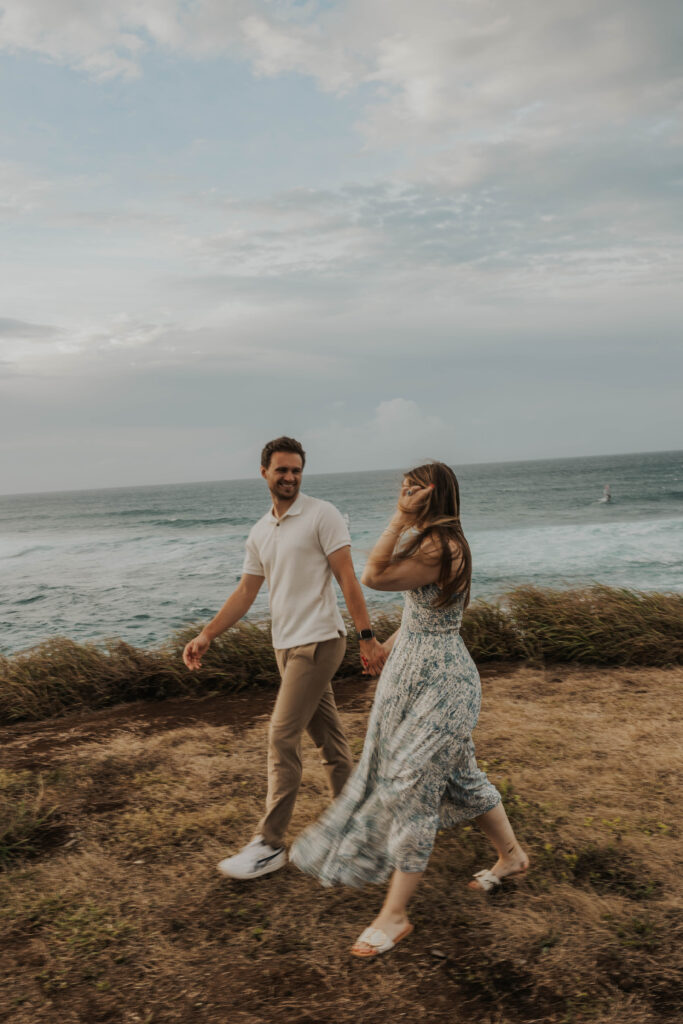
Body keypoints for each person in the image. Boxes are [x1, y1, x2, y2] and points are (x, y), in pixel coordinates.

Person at [290, 461, 529, 957]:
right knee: (460, 777)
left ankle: (395, 915)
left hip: (443, 684)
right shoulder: (435, 541)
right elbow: (425, 614)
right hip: (412, 677)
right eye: (402, 486)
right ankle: (512, 857)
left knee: (411, 786)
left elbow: (373, 574)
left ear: (434, 493)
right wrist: (385, 647)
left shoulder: (440, 545)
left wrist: (398, 518)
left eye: (414, 487)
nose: (404, 492)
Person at [183, 436, 386, 880]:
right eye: (282, 470)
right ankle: (362, 834)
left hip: (319, 643)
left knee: (280, 737)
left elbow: (348, 578)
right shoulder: (260, 532)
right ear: (264, 473)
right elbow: (245, 592)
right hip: (285, 648)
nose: (290, 477)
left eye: (296, 470)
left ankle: (270, 844)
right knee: (331, 746)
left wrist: (366, 637)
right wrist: (207, 634)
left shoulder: (322, 514)